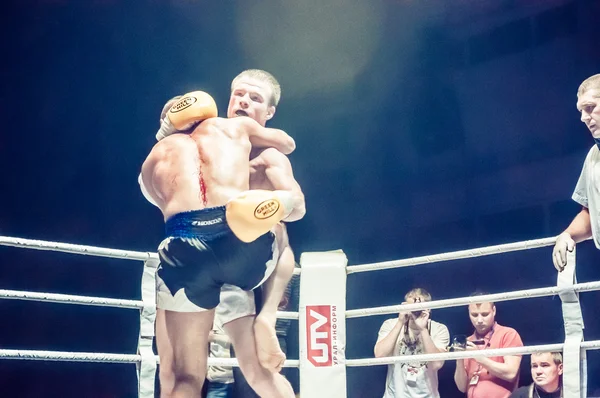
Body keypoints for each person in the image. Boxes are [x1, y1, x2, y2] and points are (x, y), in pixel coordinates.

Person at [141, 69, 301, 397]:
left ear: (269, 112)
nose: (243, 101)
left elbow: (296, 203)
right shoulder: (216, 137)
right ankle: (263, 320)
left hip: (192, 256)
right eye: (238, 94)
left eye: (255, 98)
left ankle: (266, 319)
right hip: (235, 253)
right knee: (174, 373)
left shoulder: (267, 156)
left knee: (186, 375)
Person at [552, 73, 600, 272]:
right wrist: (567, 234)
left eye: (590, 108)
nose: (584, 117)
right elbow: (590, 213)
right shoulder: (593, 156)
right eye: (581, 111)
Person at [374, 288, 450, 398]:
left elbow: (436, 364)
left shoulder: (439, 329)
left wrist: (423, 329)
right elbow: (379, 356)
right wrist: (400, 322)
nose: (415, 311)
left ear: (428, 309)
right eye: (411, 307)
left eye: (419, 308)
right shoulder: (390, 324)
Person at [454, 294, 524, 398]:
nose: (479, 320)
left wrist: (479, 358)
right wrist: (459, 359)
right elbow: (462, 387)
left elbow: (511, 373)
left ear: (494, 311)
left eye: (485, 314)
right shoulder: (468, 341)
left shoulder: (508, 334)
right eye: (474, 315)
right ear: (468, 313)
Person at [205, 316, 235, 398]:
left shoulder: (241, 312)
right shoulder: (211, 314)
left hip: (240, 382)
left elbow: (244, 343)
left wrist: (214, 337)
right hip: (216, 381)